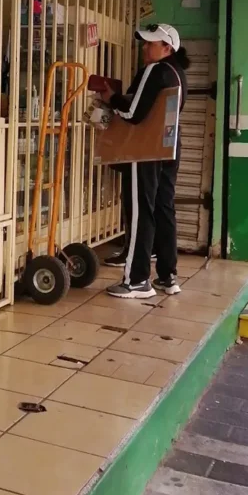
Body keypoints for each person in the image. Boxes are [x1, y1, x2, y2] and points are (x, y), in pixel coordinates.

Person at [99, 23, 189, 299]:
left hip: (146, 150)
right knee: (164, 209)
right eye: (145, 42)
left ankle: (137, 280)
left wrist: (111, 99)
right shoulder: (178, 73)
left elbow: (134, 113)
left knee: (140, 211)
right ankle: (167, 276)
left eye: (151, 43)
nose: (145, 48)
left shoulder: (155, 70)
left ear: (167, 47)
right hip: (169, 146)